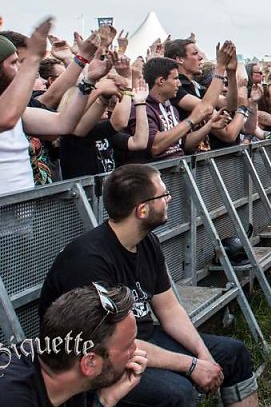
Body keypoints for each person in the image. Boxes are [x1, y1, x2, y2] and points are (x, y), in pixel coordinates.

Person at [39, 164, 259, 407]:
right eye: (163, 195)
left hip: (142, 341)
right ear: (142, 210)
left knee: (233, 354)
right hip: (98, 362)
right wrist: (192, 365)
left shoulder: (147, 241)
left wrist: (203, 354)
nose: (170, 198)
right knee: (178, 393)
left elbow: (169, 309)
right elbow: (112, 345)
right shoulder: (89, 261)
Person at [0, 18, 112, 200]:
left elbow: (63, 123)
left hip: (23, 225)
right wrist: (33, 59)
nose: (20, 69)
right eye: (14, 63)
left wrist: (89, 81)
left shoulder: (14, 112)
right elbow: (1, 120)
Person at [0, 284, 147, 407]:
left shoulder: (63, 378)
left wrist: (106, 400)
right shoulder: (9, 398)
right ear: (89, 363)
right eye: (128, 345)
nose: (135, 351)